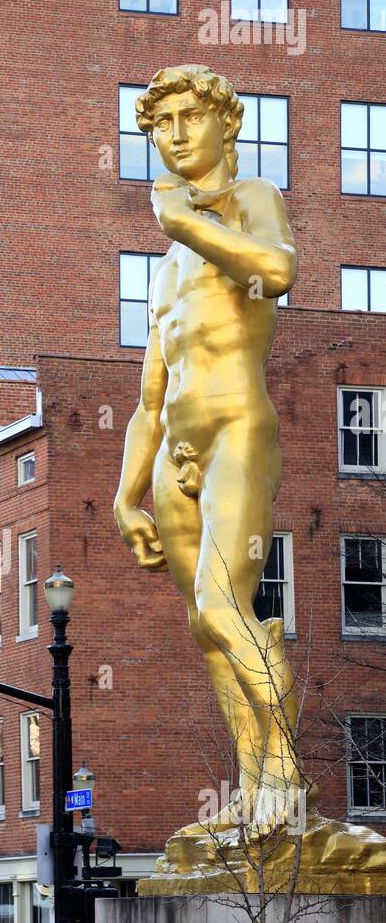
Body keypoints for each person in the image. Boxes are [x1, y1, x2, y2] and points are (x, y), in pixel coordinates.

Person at [114, 64, 304, 834]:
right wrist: (128, 494)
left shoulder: (247, 201)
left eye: (189, 118)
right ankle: (251, 786)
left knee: (227, 607)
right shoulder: (163, 270)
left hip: (235, 429)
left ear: (226, 124)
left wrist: (189, 223)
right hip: (173, 454)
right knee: (204, 623)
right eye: (160, 126)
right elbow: (147, 399)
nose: (174, 135)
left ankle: (285, 787)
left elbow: (279, 271)